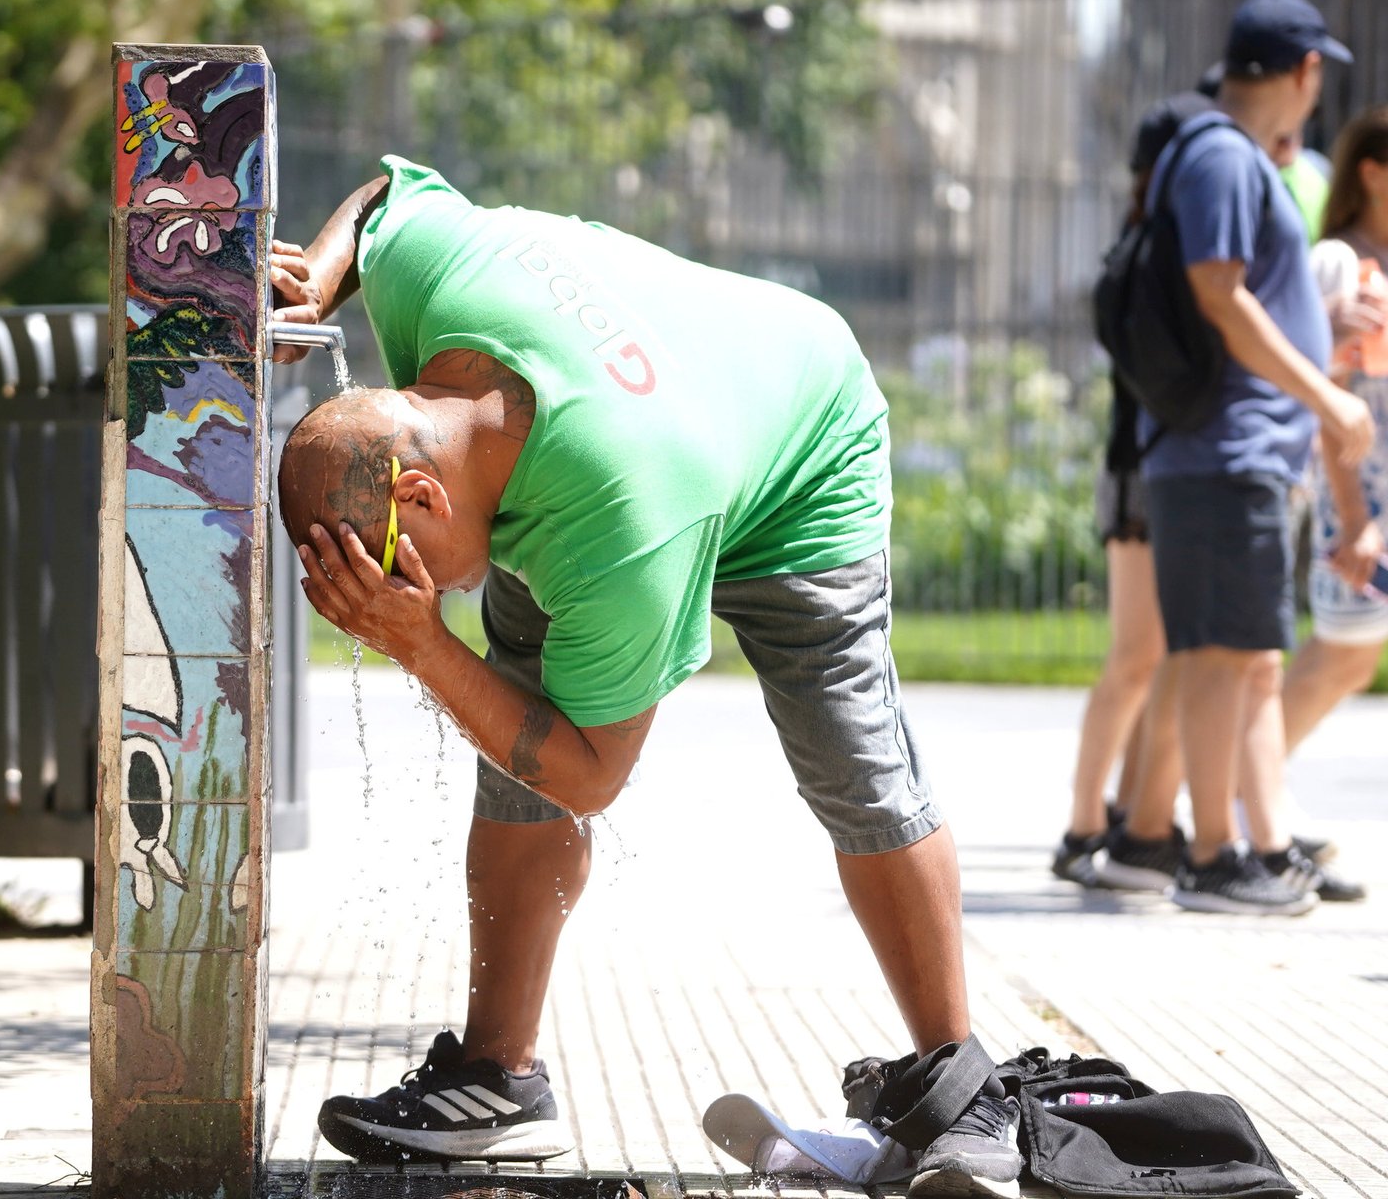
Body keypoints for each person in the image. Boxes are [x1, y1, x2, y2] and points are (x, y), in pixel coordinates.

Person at [271, 156, 1023, 1195]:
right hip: (621, 436)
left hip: (801, 438)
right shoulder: (429, 277)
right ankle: (498, 1080)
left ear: (418, 495)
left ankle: (961, 1085)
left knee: (847, 756)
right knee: (510, 733)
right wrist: (318, 270)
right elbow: (388, 194)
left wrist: (425, 646)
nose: (403, 598)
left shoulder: (622, 524)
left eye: (392, 571)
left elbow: (588, 776)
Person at [1116, 0, 1373, 916]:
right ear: (1305, 74)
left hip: (1229, 452)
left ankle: (1223, 844)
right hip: (1229, 451)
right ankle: (1220, 854)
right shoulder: (1225, 155)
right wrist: (1326, 392)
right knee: (1228, 656)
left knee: (1235, 655)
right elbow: (1221, 297)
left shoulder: (1218, 153)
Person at [1054, 92, 1207, 888]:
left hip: (1149, 468)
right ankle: (1084, 825)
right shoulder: (1150, 249)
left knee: (1159, 655)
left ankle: (1120, 813)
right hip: (1141, 472)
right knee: (1136, 655)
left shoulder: (1154, 242)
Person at [1277, 107, 1388, 897]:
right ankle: (1246, 806)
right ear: (1375, 172)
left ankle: (1251, 804)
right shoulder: (1340, 265)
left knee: (1348, 660)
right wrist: (1355, 519)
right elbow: (1329, 405)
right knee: (1343, 654)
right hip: (1364, 494)